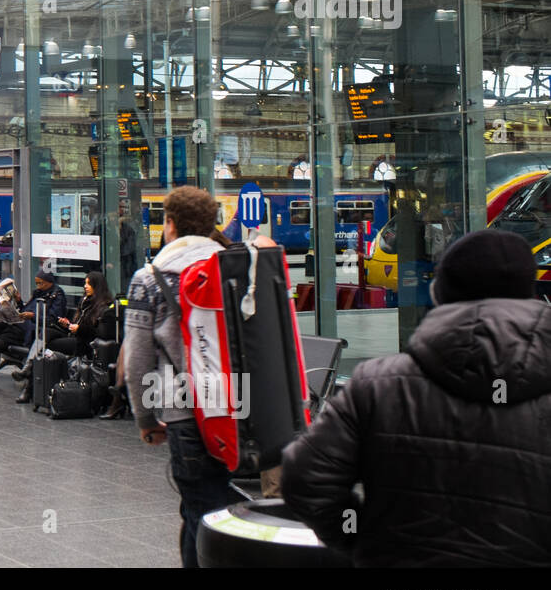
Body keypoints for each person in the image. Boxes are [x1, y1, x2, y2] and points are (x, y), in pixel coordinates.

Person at [283, 229, 551, 566]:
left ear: (440, 293)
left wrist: (360, 538)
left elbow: (305, 478)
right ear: (529, 294)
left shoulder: (377, 385)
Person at [123, 186, 233, 567]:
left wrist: (144, 418)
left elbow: (137, 359)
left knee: (205, 511)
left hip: (184, 411)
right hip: (239, 406)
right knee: (203, 505)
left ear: (170, 225)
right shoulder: (237, 266)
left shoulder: (150, 278)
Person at [10, 270, 117, 404]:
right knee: (47, 333)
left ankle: (28, 379)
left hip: (84, 342)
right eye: (85, 283)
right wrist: (68, 324)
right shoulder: (85, 301)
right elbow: (77, 323)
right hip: (73, 334)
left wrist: (79, 328)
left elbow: (99, 331)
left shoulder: (103, 306)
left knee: (46, 347)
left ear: (97, 286)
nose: (85, 286)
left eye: (89, 284)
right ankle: (28, 373)